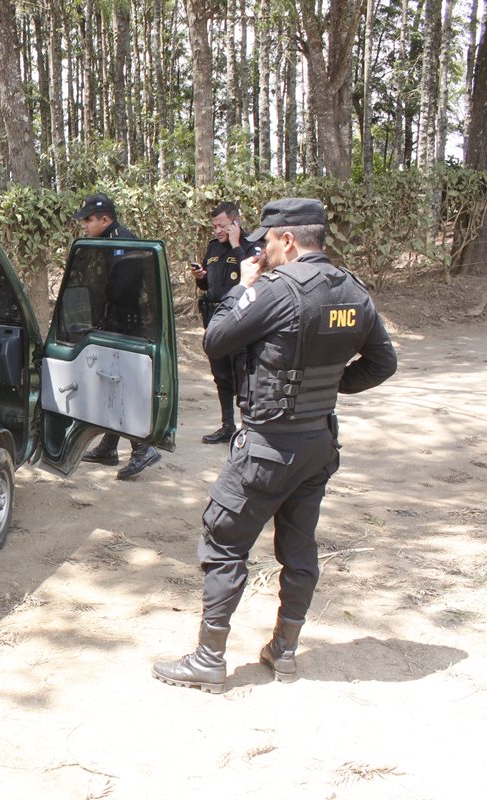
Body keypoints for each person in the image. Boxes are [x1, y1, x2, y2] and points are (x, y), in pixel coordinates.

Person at [152, 198, 397, 693]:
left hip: (268, 447)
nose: (261, 249)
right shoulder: (353, 290)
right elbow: (382, 363)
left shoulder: (277, 291)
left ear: (288, 240)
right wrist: (325, 388)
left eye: (267, 241)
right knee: (300, 548)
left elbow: (216, 338)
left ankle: (208, 660)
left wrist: (243, 285)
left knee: (224, 542)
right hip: (317, 444)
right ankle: (284, 651)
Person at [72, 193, 162, 480]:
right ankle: (109, 446)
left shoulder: (123, 241)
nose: (84, 225)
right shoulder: (108, 241)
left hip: (125, 325)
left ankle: (142, 448)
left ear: (105, 220)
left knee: (120, 385)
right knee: (109, 383)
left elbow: (121, 290)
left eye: (88, 220)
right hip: (113, 323)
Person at [190, 202, 256, 444]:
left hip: (239, 319)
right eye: (214, 226)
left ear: (236, 223)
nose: (217, 231)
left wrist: (237, 245)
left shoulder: (251, 246)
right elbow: (209, 286)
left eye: (223, 226)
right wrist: (201, 279)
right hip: (214, 318)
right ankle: (227, 425)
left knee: (243, 374)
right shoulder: (213, 248)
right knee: (220, 374)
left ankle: (248, 428)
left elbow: (252, 276)